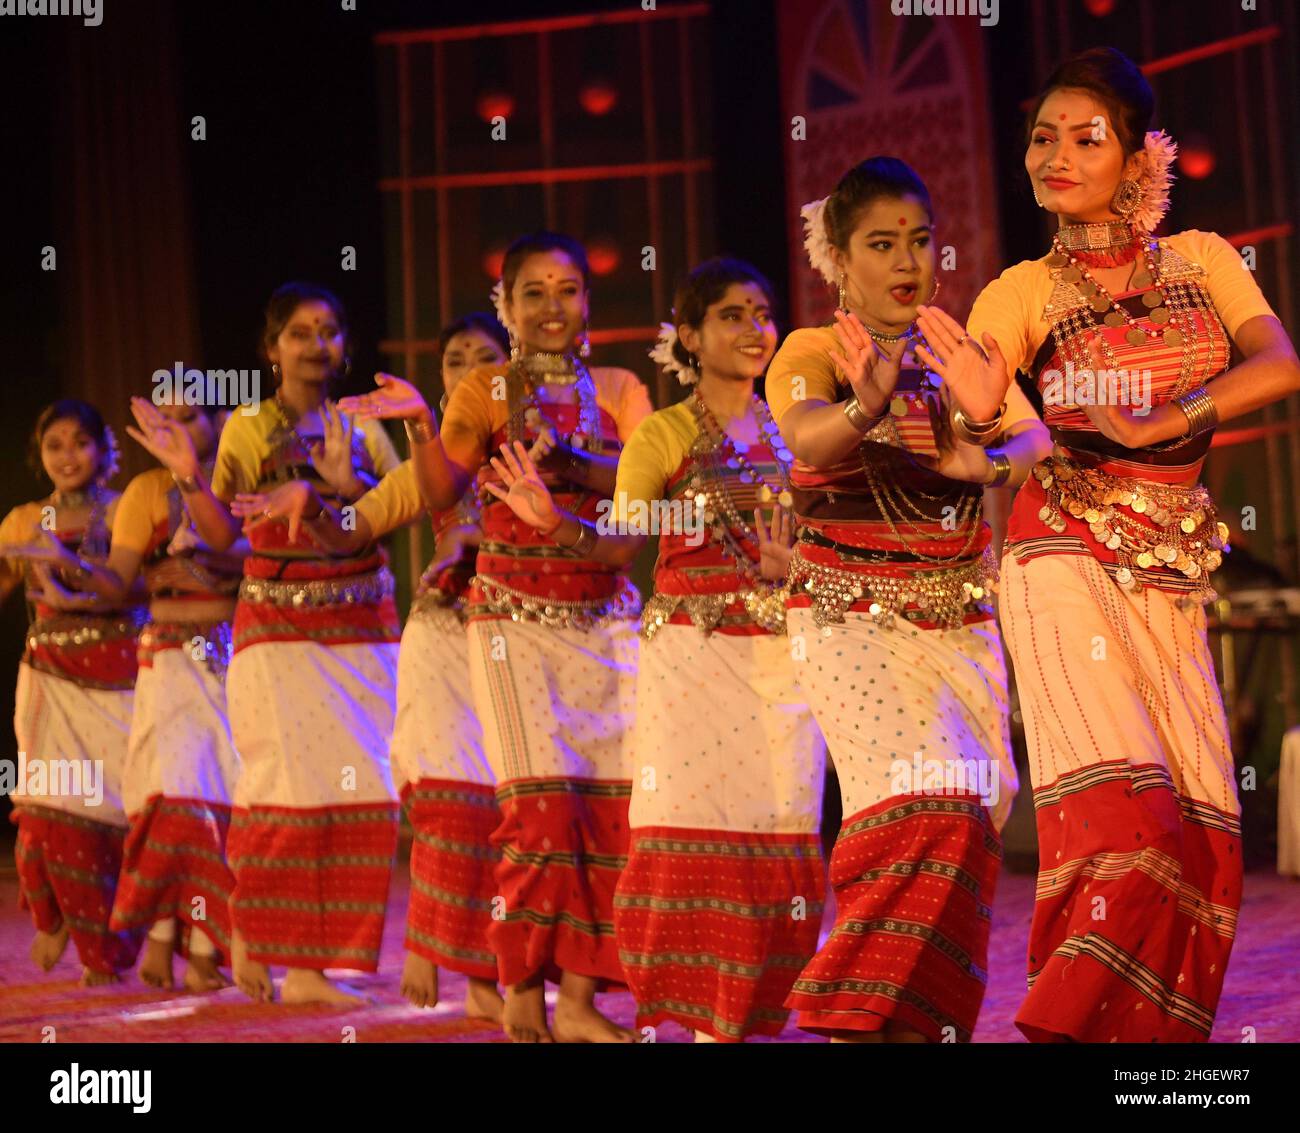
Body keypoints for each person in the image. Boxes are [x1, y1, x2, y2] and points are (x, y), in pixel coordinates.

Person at [948, 47, 1300, 1042]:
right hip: (1060, 552)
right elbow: (991, 422)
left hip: (1169, 569)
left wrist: (1167, 417)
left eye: (1083, 137)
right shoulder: (1017, 292)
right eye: (1041, 137)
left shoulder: (1203, 258)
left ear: (1138, 157)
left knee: (1201, 843)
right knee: (1125, 822)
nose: (1053, 155)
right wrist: (985, 421)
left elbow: (1277, 361)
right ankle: (1060, 1027)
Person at [487, 257, 827, 1042]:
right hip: (690, 660)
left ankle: (746, 1014)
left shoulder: (799, 430)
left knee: (780, 835)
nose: (754, 330)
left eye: (763, 313)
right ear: (690, 336)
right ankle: (704, 1019)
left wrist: (797, 565)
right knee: (690, 832)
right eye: (732, 316)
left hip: (782, 661)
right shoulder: (663, 432)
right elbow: (621, 546)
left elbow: (826, 543)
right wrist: (554, 523)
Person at [338, 232, 652, 1042]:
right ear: (506, 307)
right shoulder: (484, 388)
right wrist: (421, 425)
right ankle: (517, 981)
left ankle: (580, 999)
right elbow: (442, 489)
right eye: (534, 292)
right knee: (538, 814)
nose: (554, 307)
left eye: (569, 290)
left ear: (587, 303)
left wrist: (577, 464)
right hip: (509, 617)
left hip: (605, 617)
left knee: (612, 818)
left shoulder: (620, 388)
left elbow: (650, 482)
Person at [766, 157, 1049, 1041]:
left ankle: (915, 1025)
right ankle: (850, 1016)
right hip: (849, 620)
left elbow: (1034, 438)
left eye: (919, 241)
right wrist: (866, 405)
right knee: (911, 807)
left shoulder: (956, 353)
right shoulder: (812, 352)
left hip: (960, 620)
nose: (906, 262)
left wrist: (986, 461)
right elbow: (806, 431)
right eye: (881, 244)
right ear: (840, 263)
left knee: (969, 813)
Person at [127, 282, 404, 1005]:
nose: (317, 343)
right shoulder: (247, 428)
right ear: (271, 347)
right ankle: (250, 928)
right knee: (282, 786)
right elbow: (220, 535)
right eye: (300, 331)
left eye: (330, 330)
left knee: (366, 791)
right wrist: (189, 475)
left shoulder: (362, 426)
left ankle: (313, 968)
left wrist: (351, 482)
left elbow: (397, 509)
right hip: (278, 627)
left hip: (362, 627)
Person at [243, 312, 510, 1023]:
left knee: (515, 807)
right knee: (451, 797)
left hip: (532, 638)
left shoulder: (547, 439)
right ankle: (432, 943)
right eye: (456, 358)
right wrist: (320, 495)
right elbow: (364, 522)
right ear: (442, 377)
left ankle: (492, 968)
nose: (472, 368)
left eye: (488, 356)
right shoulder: (434, 449)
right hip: (446, 631)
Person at [52, 398, 246, 992]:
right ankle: (164, 940)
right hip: (167, 657)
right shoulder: (142, 490)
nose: (175, 429)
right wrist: (65, 567)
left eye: (190, 417)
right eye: (164, 419)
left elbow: (249, 556)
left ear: (218, 422)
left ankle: (208, 945)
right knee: (173, 802)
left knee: (226, 806)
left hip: (238, 654)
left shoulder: (240, 482)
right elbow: (119, 580)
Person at [0, 400, 145, 984]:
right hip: (49, 676)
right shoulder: (20, 520)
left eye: (80, 443)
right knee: (46, 811)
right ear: (40, 455)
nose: (67, 455)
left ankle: (112, 948)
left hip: (123, 675)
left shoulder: (130, 509)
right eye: (54, 444)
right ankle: (63, 923)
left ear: (107, 450)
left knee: (116, 811)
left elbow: (142, 587)